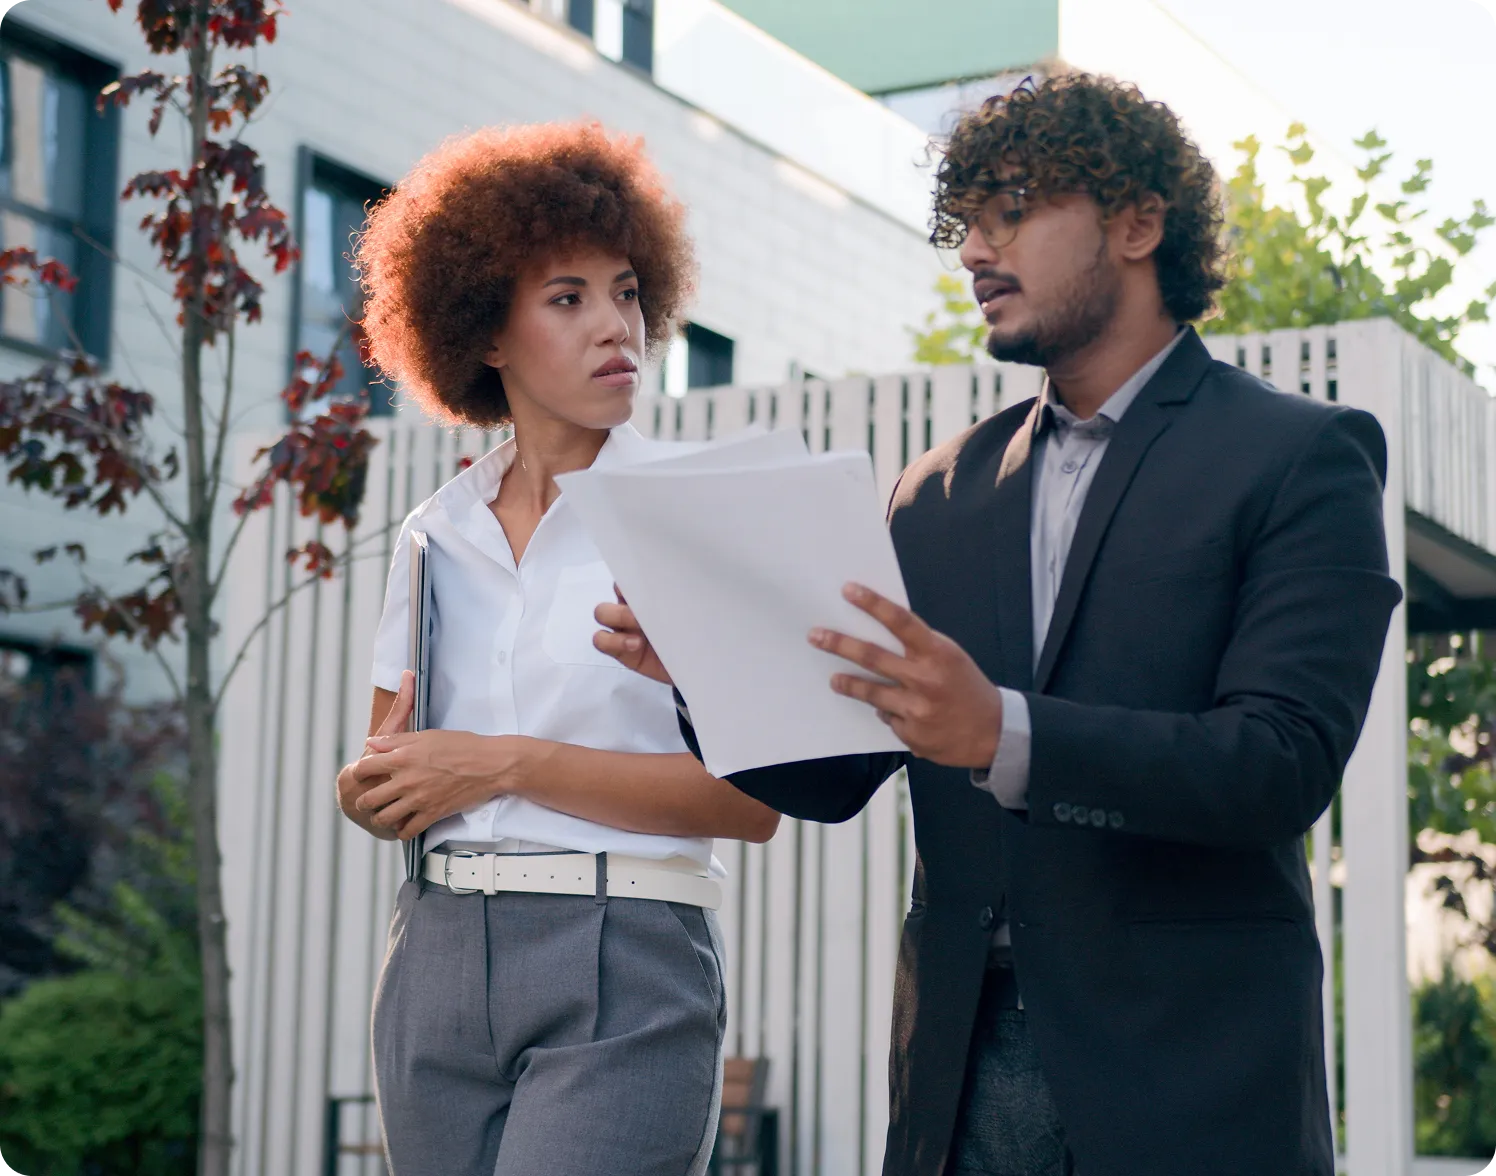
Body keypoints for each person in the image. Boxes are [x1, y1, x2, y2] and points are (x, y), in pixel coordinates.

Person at [596, 75, 1401, 1176]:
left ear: (1136, 222)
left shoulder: (1301, 456)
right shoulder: (932, 493)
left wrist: (1003, 734)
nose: (974, 249)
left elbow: (1278, 762)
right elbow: (838, 776)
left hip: (1188, 1073)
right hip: (961, 1068)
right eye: (962, 223)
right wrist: (704, 669)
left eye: (1011, 207)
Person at [336, 122, 779, 1176]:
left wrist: (504, 764)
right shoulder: (434, 532)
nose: (614, 325)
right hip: (435, 955)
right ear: (484, 334)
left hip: (623, 952)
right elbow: (382, 768)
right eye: (566, 298)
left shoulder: (694, 519)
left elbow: (751, 802)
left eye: (625, 292)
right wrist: (370, 789)